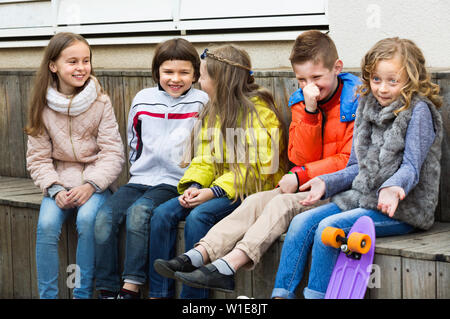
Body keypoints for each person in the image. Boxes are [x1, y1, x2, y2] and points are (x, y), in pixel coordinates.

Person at [155, 30, 361, 293]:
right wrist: (310, 113)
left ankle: (228, 266)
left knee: (279, 204)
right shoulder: (303, 101)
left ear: (337, 68)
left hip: (338, 189)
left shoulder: (356, 102)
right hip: (305, 183)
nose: (310, 85)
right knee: (254, 202)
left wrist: (300, 175)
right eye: (301, 79)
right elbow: (301, 157)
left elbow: (349, 160)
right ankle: (198, 256)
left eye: (317, 78)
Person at [271, 37, 443, 299]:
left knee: (329, 229)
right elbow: (355, 166)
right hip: (362, 198)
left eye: (392, 81)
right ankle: (280, 295)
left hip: (402, 210)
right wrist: (326, 182)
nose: (382, 88)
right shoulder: (366, 105)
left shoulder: (418, 111)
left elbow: (411, 167)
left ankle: (315, 296)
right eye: (376, 80)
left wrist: (393, 188)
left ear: (411, 78)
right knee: (301, 222)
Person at [150, 44, 287, 299]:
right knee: (162, 214)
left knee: (198, 217)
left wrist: (212, 192)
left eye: (202, 76)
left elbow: (257, 168)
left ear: (220, 80)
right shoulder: (213, 110)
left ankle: (193, 297)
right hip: (218, 187)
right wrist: (194, 186)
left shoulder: (260, 114)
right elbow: (205, 158)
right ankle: (159, 292)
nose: (200, 82)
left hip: (250, 190)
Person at [93, 38, 209, 299]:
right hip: (140, 177)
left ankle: (130, 287)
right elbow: (134, 139)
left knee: (139, 213)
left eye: (184, 72)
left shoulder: (202, 102)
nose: (175, 79)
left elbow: (206, 146)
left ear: (195, 74)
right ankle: (107, 289)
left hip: (175, 180)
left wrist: (194, 180)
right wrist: (138, 168)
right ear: (157, 71)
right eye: (168, 72)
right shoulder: (143, 98)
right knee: (103, 218)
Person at [25, 32, 125, 299]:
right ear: (53, 66)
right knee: (46, 225)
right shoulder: (41, 105)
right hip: (57, 181)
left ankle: (81, 294)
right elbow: (38, 158)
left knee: (87, 219)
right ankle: (48, 295)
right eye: (72, 62)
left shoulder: (100, 102)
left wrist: (92, 185)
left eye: (86, 60)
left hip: (94, 181)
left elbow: (113, 152)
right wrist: (55, 188)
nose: (81, 68)